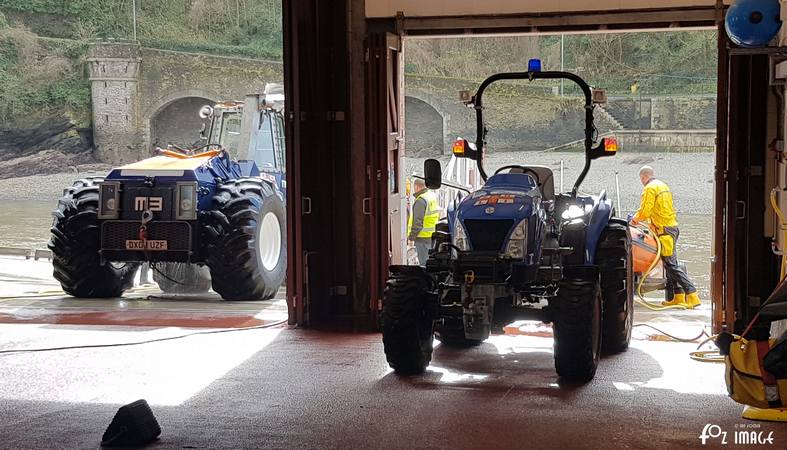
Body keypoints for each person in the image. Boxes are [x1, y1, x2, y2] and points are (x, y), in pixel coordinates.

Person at [631, 165, 701, 309]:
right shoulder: (663, 186)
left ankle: (692, 294)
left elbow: (645, 210)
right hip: (671, 228)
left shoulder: (650, 188)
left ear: (644, 177)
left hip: (664, 231)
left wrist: (634, 220)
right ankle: (679, 296)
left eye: (641, 179)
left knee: (671, 265)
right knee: (670, 264)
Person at [407, 178, 439, 266]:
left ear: (417, 187)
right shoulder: (431, 196)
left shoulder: (420, 201)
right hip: (432, 235)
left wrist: (411, 237)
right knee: (431, 262)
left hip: (422, 237)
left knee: (424, 264)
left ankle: (427, 279)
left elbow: (417, 222)